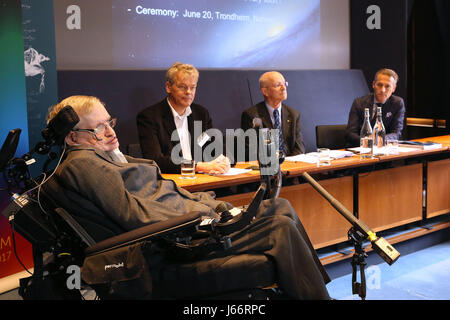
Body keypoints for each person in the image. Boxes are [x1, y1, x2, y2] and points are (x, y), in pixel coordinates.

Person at [44, 95, 331, 300]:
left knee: (279, 205)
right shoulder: (84, 163)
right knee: (279, 227)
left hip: (187, 224)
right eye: (97, 129)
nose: (109, 132)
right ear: (71, 138)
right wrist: (206, 221)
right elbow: (135, 216)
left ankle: (319, 288)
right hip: (176, 241)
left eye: (110, 123)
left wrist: (215, 206)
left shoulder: (108, 157)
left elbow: (166, 193)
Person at [136, 62, 230, 174]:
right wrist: (197, 166)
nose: (188, 92)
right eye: (182, 87)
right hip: (173, 182)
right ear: (168, 87)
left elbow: (214, 146)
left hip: (204, 179)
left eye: (193, 87)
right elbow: (156, 160)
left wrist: (223, 159)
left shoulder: (201, 114)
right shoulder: (149, 117)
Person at [241, 71, 305, 158]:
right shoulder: (252, 115)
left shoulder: (293, 114)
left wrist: (289, 166)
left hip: (291, 166)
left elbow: (299, 148)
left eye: (284, 84)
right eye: (278, 85)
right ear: (265, 91)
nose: (283, 88)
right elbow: (252, 151)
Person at [345, 68, 406, 147]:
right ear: (374, 84)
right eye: (379, 85)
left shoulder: (397, 103)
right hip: (359, 149)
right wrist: (369, 142)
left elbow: (396, 133)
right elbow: (350, 134)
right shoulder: (359, 103)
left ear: (393, 88)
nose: (383, 90)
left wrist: (380, 140)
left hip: (384, 149)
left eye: (387, 86)